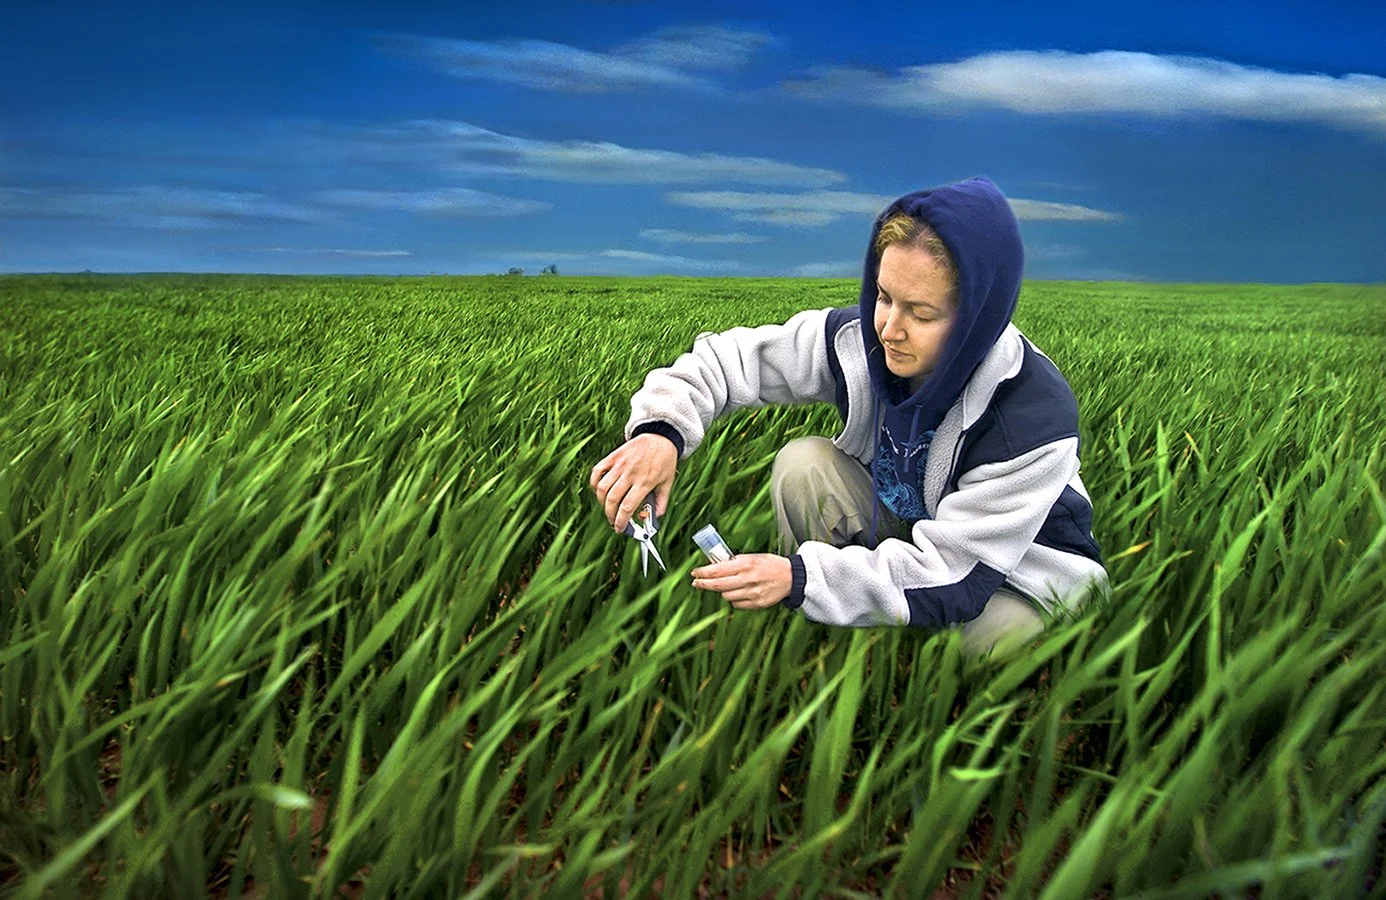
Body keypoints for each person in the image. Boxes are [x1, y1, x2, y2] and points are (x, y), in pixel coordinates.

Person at [589, 176, 1108, 658]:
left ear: (980, 314)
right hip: (915, 526)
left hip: (1015, 573)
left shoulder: (1030, 418)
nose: (889, 329)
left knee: (970, 650)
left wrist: (799, 579)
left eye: (921, 313)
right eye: (883, 297)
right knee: (804, 463)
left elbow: (955, 575)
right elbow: (730, 360)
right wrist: (660, 434)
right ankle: (834, 642)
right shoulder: (858, 340)